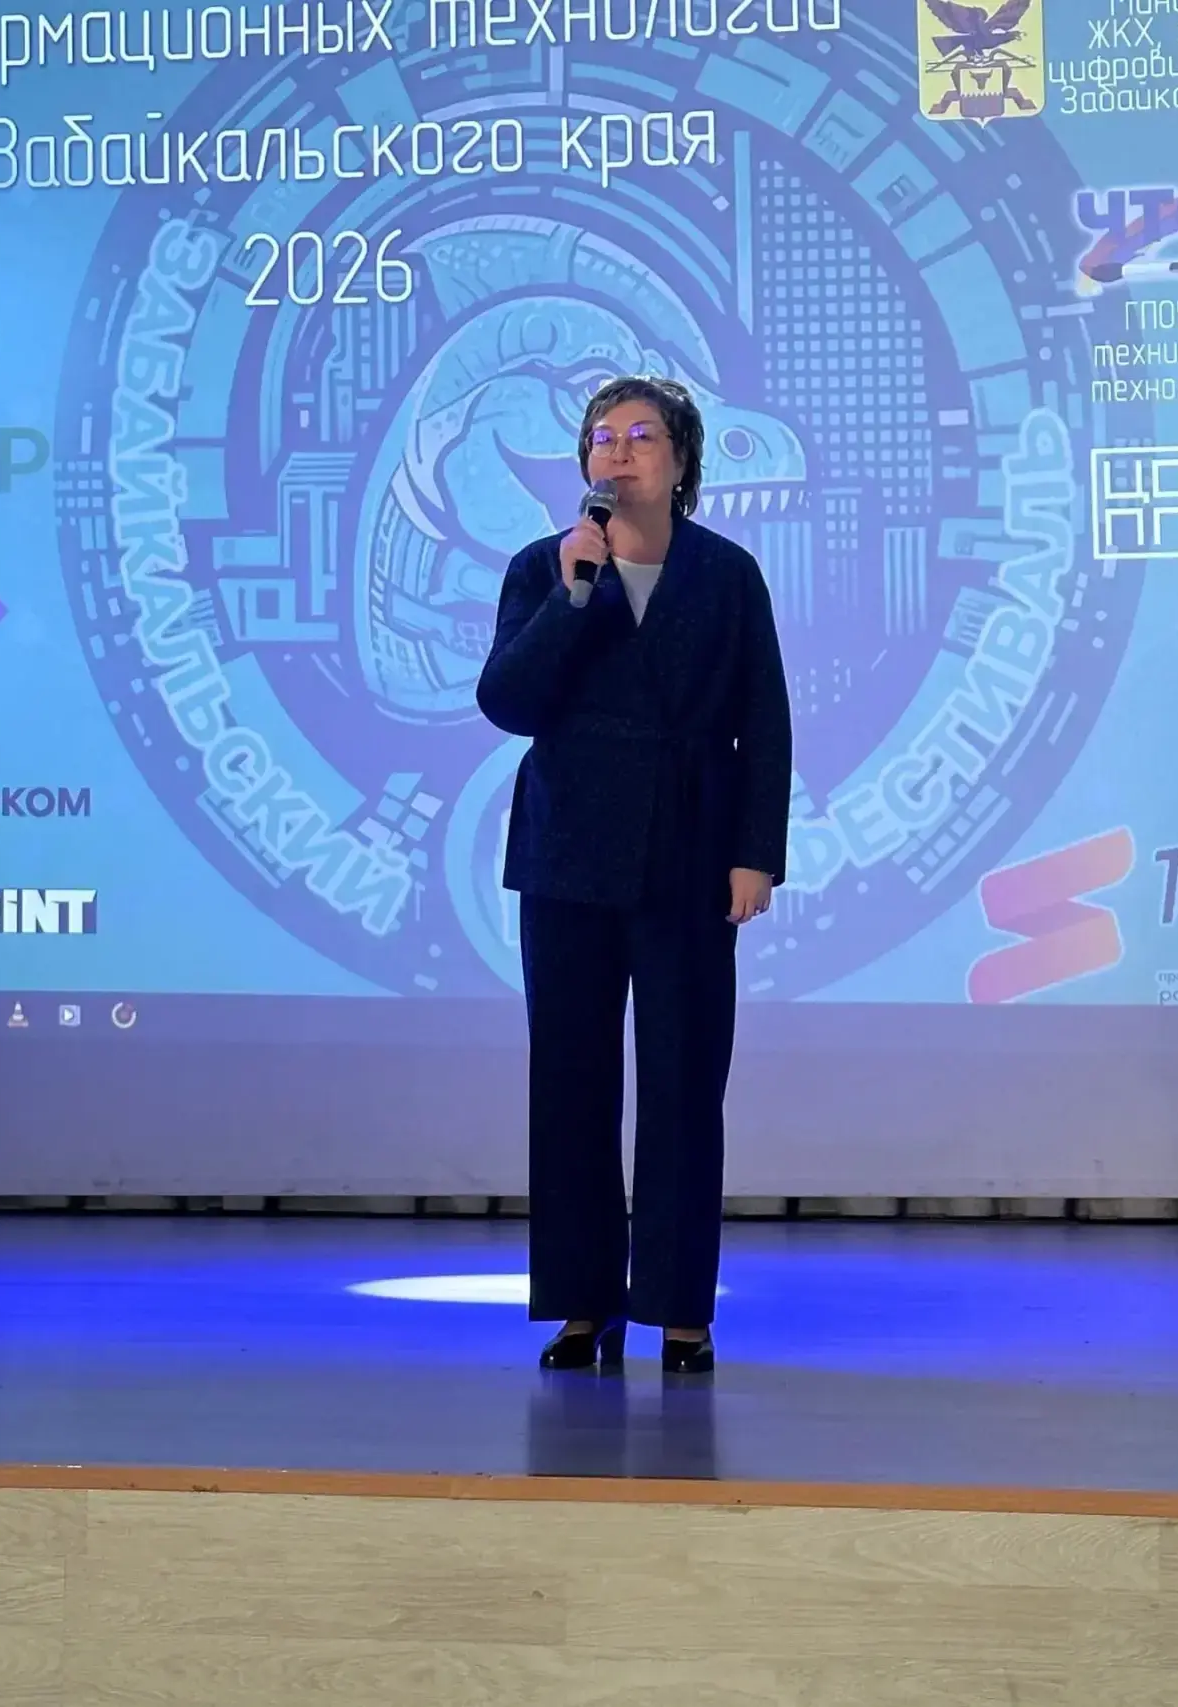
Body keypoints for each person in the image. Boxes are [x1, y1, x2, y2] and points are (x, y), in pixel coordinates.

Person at [476, 375, 793, 1375]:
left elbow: (765, 720)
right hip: (567, 851)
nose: (616, 451)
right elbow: (508, 703)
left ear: (681, 459)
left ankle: (679, 1307)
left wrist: (755, 852)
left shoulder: (726, 573)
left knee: (683, 1083)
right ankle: (583, 1305)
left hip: (690, 850)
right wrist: (572, 596)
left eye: (641, 435)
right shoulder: (545, 567)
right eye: (600, 436)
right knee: (569, 1083)